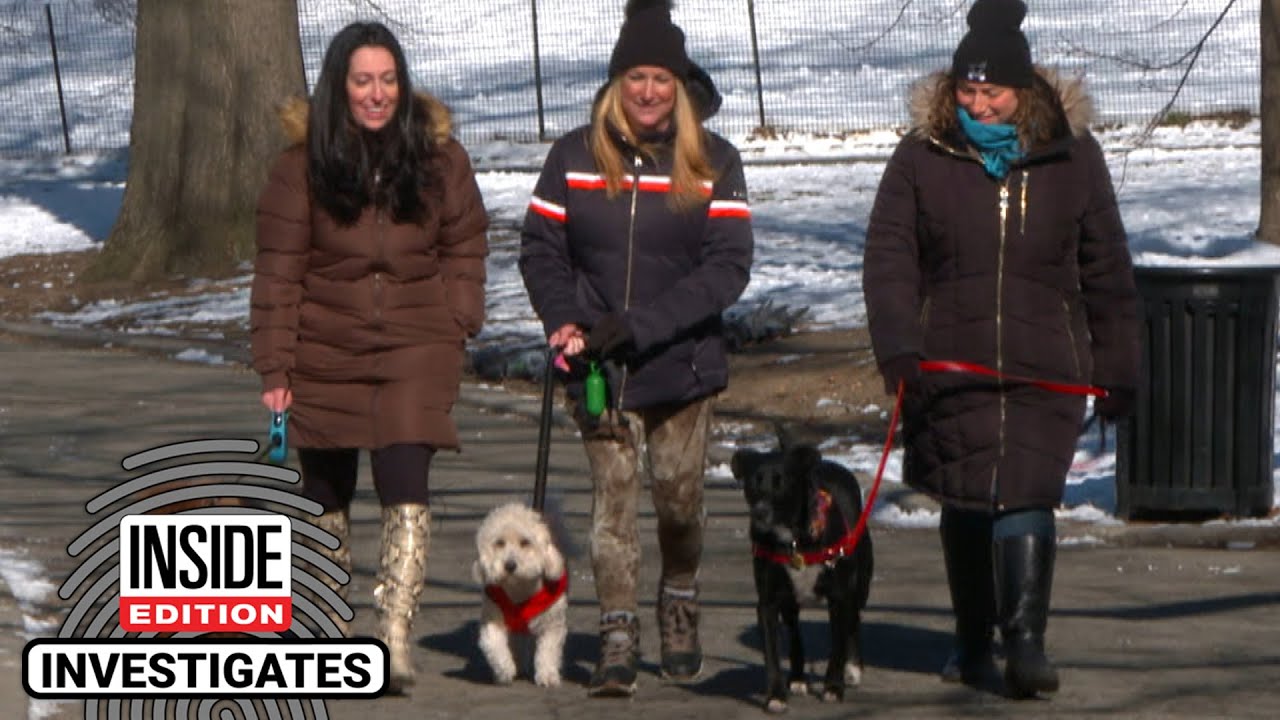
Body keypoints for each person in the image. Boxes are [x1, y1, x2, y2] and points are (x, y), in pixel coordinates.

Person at [862, 0, 1139, 699]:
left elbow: (1106, 267)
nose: (978, 105)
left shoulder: (1073, 159)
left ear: (1026, 92)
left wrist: (1119, 366)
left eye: (993, 91)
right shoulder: (922, 157)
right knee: (966, 492)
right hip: (949, 356)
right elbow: (889, 258)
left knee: (1026, 490)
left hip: (1046, 358)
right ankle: (971, 638)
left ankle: (1025, 641)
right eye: (967, 90)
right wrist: (899, 345)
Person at [519, 0, 753, 697]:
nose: (648, 91)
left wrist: (643, 325)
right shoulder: (571, 156)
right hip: (598, 369)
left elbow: (727, 267)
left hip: (681, 365)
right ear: (616, 83)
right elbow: (541, 248)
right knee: (610, 509)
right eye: (635, 77)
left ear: (680, 84)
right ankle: (616, 629)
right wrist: (564, 318)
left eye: (661, 78)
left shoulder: (715, 161)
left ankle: (679, 595)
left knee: (678, 504)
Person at [250, 21, 489, 694]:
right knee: (324, 492)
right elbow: (277, 273)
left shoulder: (442, 159)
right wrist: (275, 367)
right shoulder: (299, 167)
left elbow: (467, 239)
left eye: (388, 79)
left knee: (406, 480)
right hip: (325, 346)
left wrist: (460, 312)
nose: (377, 94)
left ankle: (393, 636)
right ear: (339, 86)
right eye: (363, 81)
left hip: (418, 343)